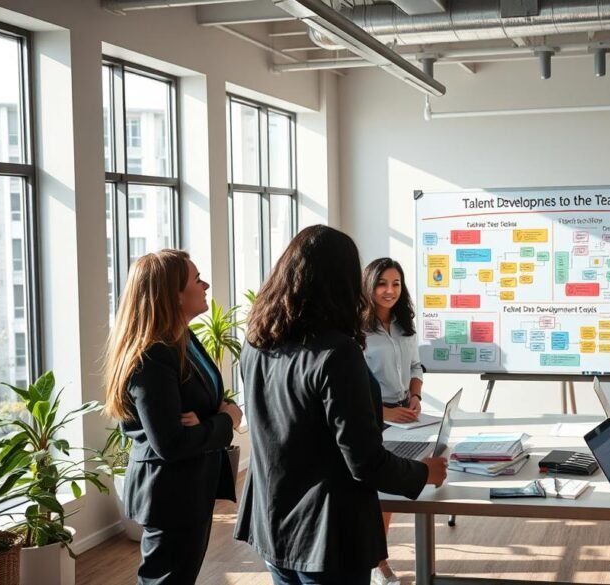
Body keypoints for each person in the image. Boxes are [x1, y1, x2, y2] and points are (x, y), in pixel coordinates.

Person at [234, 225, 448, 585]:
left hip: (273, 523)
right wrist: (424, 472)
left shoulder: (256, 343)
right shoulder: (337, 352)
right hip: (327, 533)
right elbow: (364, 460)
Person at [103, 249, 243, 585]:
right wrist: (227, 420)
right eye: (196, 279)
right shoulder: (153, 356)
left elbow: (206, 397)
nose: (205, 284)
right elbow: (171, 443)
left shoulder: (183, 337)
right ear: (173, 295)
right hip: (170, 493)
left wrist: (212, 416)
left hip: (191, 487)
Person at [361, 257, 424, 585]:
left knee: (394, 493)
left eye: (395, 284)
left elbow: (416, 366)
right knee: (380, 495)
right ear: (369, 287)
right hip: (375, 418)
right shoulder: (356, 331)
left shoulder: (404, 324)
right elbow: (352, 387)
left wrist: (415, 396)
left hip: (405, 414)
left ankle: (376, 560)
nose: (389, 291)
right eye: (382, 284)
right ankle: (378, 563)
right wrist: (383, 414)